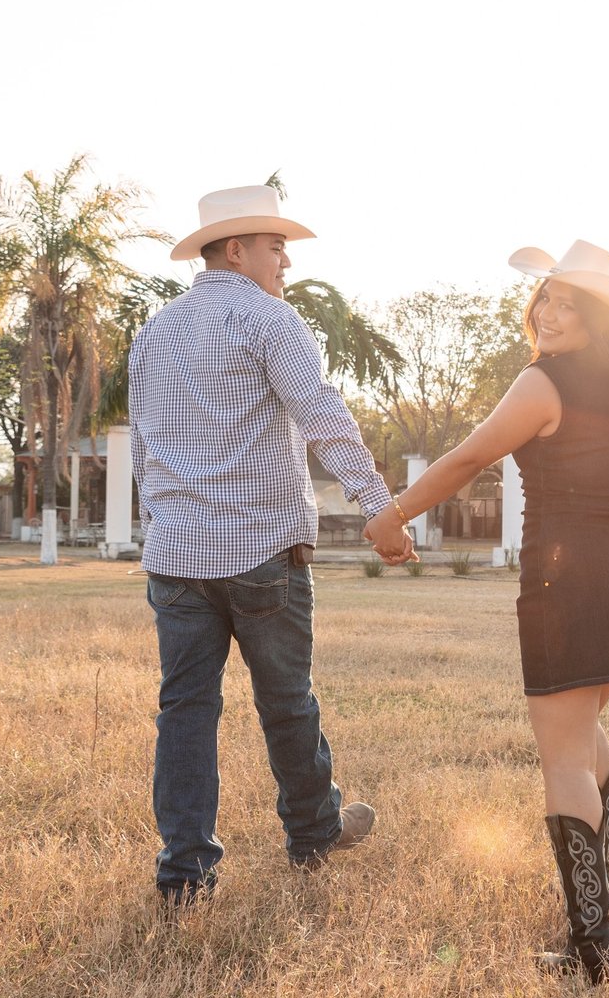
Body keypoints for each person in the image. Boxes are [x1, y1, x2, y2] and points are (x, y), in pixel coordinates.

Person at [364, 240, 609, 982]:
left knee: (562, 755)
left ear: (599, 318)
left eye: (570, 303)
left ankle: (595, 950)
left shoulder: (544, 383)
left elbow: (469, 457)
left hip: (568, 579)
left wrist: (391, 515)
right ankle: (600, 921)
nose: (551, 313)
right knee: (585, 733)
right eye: (547, 299)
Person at [129, 184, 414, 907]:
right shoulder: (268, 319)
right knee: (286, 701)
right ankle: (314, 833)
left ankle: (184, 873)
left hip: (176, 555)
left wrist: (165, 521)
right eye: (273, 243)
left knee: (184, 712)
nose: (285, 258)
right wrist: (379, 506)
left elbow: (148, 448)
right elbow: (323, 415)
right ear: (235, 249)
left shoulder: (154, 332)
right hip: (259, 550)